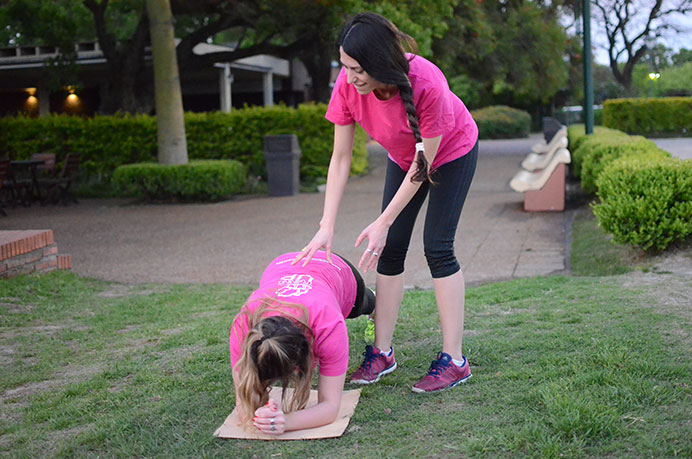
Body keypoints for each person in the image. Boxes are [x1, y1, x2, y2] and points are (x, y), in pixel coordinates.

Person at [293, 12, 479, 394]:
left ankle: (455, 360)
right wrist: (326, 226)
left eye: (357, 68)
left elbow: (423, 164)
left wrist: (384, 220)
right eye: (343, 67)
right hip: (404, 158)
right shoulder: (347, 87)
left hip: (452, 153)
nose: (349, 77)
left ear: (380, 63)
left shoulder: (426, 82)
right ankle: (382, 353)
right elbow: (341, 158)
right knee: (391, 250)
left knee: (437, 247)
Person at [229, 251, 375, 434]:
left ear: (307, 354)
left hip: (333, 267)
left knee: (362, 305)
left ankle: (373, 303)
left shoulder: (328, 324)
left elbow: (330, 407)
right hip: (284, 263)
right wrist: (261, 412)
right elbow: (241, 403)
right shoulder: (243, 325)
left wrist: (286, 422)